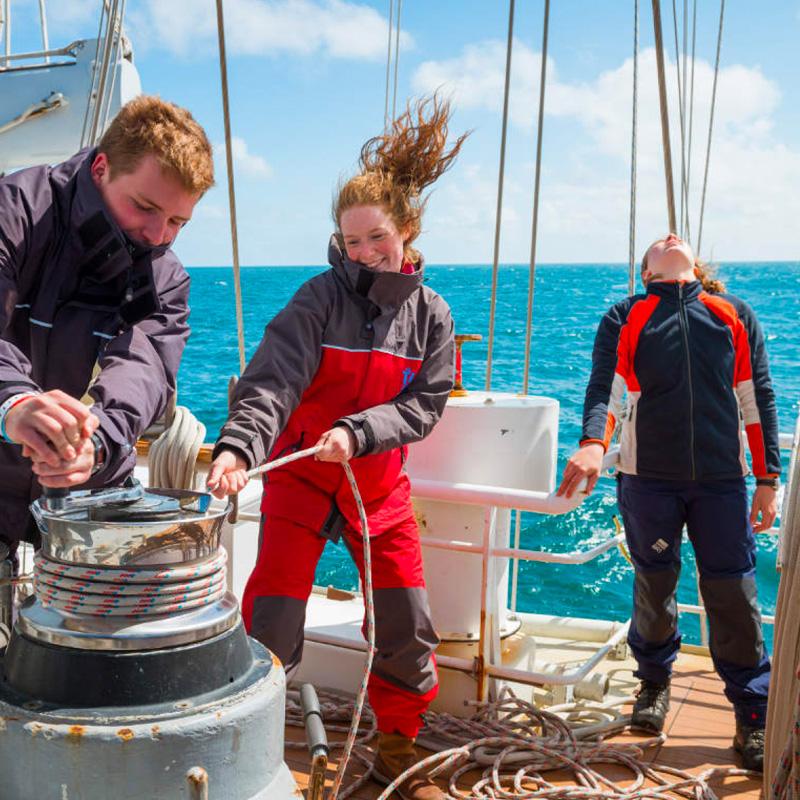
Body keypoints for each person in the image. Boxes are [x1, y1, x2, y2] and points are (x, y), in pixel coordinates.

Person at [207, 96, 465, 800]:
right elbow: (272, 383)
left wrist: (359, 432)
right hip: (301, 483)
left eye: (376, 237)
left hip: (377, 486)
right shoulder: (315, 302)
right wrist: (236, 448)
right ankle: (254, 754)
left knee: (407, 625)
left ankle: (392, 754)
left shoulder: (433, 316)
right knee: (272, 620)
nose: (364, 252)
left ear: (406, 231)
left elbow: (425, 405)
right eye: (351, 242)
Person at [558, 233, 779, 771]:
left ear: (693, 266)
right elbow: (605, 388)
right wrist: (592, 444)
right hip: (647, 479)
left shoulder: (733, 314)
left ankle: (752, 712)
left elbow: (757, 397)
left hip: (723, 482)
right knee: (654, 583)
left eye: (676, 240)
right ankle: (653, 685)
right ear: (647, 272)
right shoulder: (625, 315)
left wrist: (769, 478)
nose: (670, 236)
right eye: (658, 243)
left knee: (732, 591)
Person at [0, 95, 214, 563]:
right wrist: (14, 402)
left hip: (84, 483)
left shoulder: (166, 278)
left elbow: (146, 368)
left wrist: (98, 445)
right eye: (144, 207)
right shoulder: (14, 210)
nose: (159, 236)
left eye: (178, 221)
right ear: (101, 169)